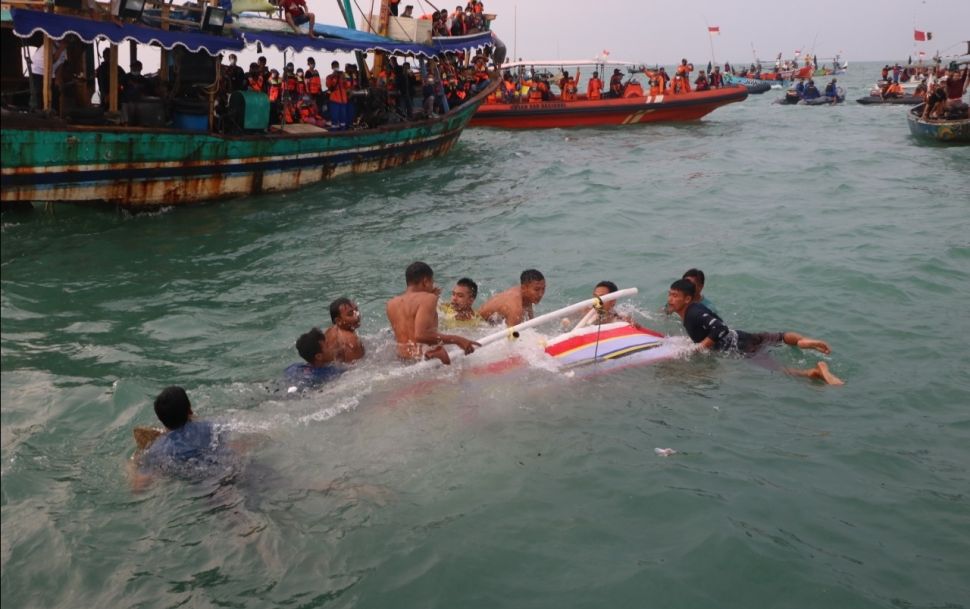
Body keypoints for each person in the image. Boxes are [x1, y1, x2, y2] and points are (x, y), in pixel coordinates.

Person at [666, 279, 843, 385]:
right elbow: (718, 324)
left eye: (675, 296)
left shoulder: (692, 313)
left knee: (777, 370)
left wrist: (700, 347)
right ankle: (802, 341)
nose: (670, 299)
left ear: (687, 299)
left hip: (741, 348)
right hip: (741, 336)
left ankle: (815, 372)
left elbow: (720, 328)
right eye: (669, 294)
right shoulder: (694, 309)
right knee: (779, 336)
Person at [128, 386, 234, 489]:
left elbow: (138, 488)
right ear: (190, 410)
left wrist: (133, 462)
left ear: (161, 419)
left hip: (206, 488)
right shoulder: (212, 426)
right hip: (230, 472)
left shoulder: (158, 449)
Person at [386, 261, 479, 365]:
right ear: (425, 281)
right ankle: (433, 353)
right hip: (425, 361)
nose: (433, 285)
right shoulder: (428, 298)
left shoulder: (391, 303)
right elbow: (421, 335)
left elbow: (407, 330)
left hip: (403, 360)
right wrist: (458, 340)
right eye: (432, 282)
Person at [478, 269, 546, 327]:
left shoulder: (527, 295)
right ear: (523, 288)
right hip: (475, 325)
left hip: (489, 322)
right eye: (537, 290)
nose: (540, 294)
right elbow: (512, 338)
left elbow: (530, 324)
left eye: (543, 289)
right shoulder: (514, 307)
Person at [326, 297, 365, 363]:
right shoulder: (351, 340)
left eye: (356, 310)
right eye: (350, 314)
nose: (357, 315)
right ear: (338, 320)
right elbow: (357, 368)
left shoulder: (330, 331)